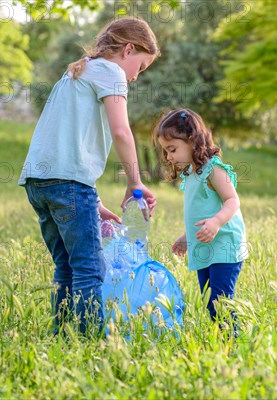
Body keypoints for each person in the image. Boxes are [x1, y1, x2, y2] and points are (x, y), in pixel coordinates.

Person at [18, 17, 159, 335]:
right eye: (141, 66)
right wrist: (134, 181)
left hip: (39, 182)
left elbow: (66, 144)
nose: (136, 76)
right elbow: (121, 131)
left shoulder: (76, 70)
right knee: (90, 267)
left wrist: (91, 201)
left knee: (66, 265)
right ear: (128, 49)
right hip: (68, 183)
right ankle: (86, 341)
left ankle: (62, 335)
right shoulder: (111, 72)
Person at [152, 108, 249, 323]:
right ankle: (222, 345)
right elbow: (201, 210)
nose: (168, 156)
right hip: (205, 246)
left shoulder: (213, 169)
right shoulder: (191, 174)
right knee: (210, 302)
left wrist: (216, 222)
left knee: (220, 302)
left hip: (224, 245)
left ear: (191, 139)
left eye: (172, 149)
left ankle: (232, 343)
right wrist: (188, 236)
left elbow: (233, 201)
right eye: (166, 152)